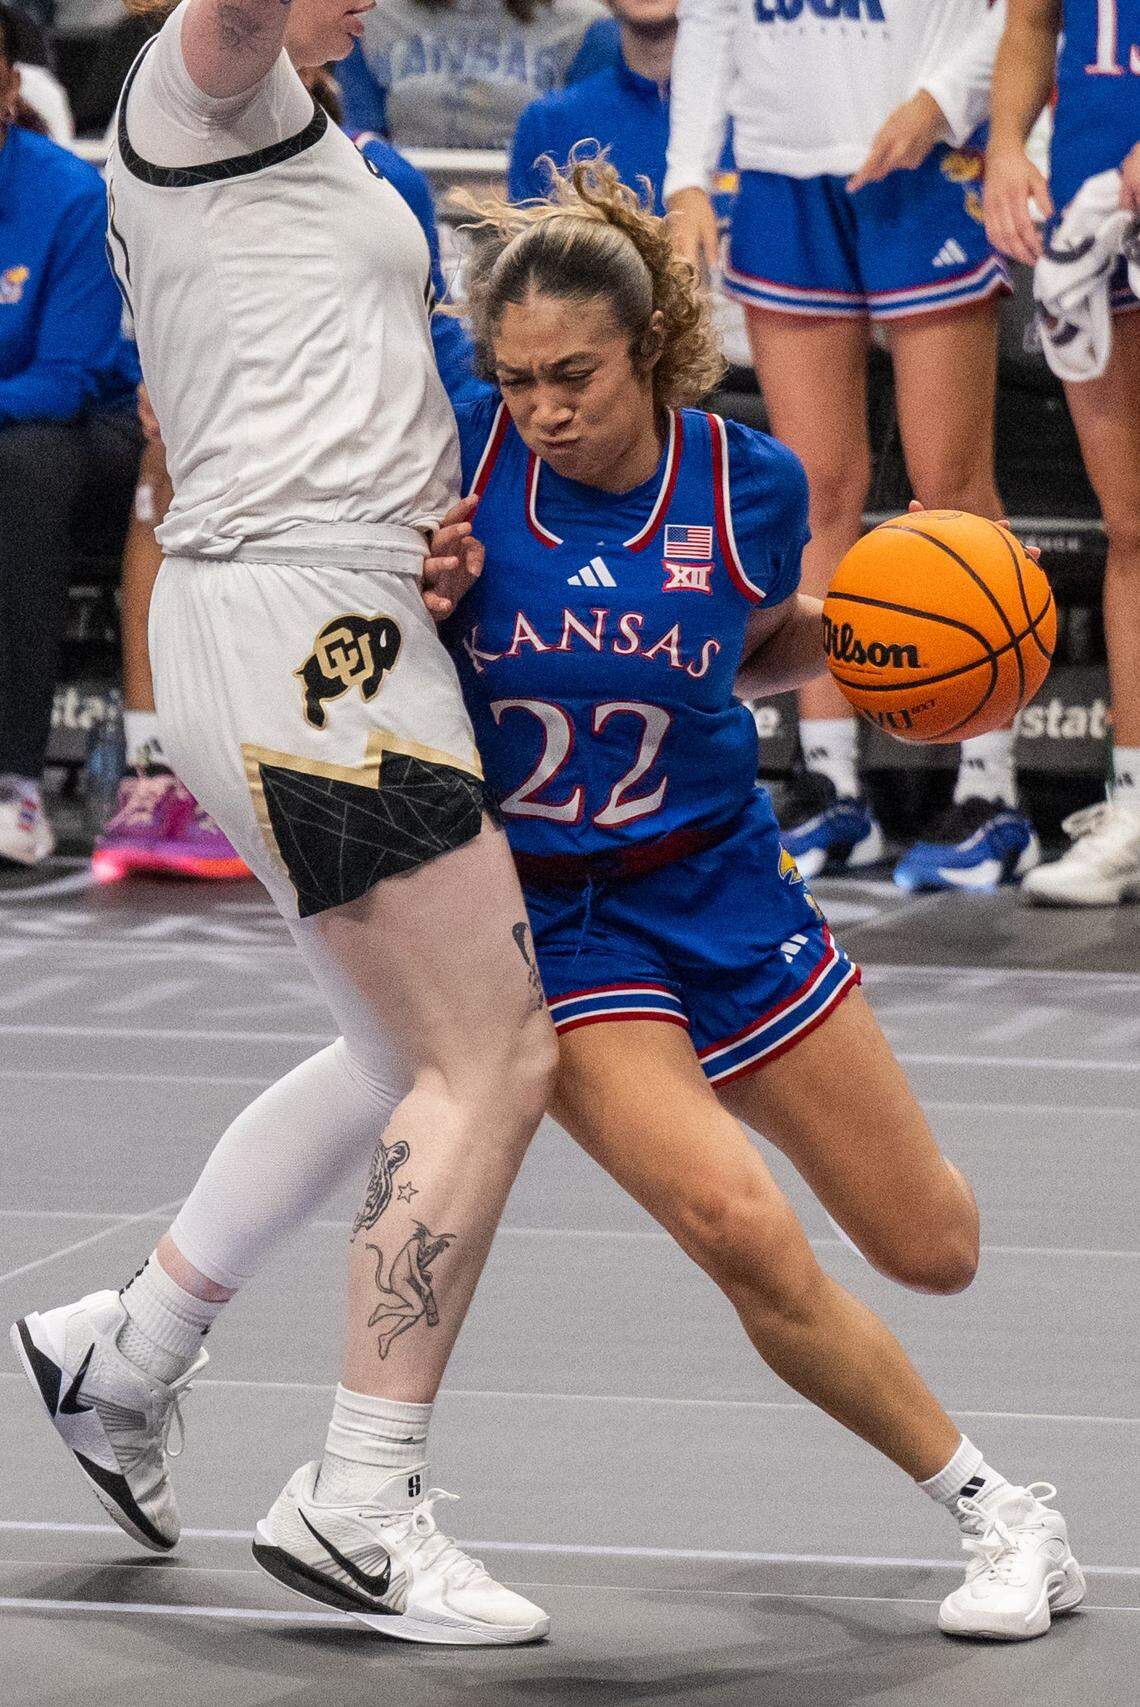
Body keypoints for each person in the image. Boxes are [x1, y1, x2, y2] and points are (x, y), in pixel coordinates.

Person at [426, 156, 1084, 1641]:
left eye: (573, 373)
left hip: (719, 873)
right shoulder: (457, 467)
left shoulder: (751, 483)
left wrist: (910, 657)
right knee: (737, 1220)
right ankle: (1003, 1513)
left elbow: (747, 639)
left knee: (935, 1245)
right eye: (515, 375)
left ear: (650, 347)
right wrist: (413, 594)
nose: (542, 406)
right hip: (558, 911)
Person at [12, 0, 555, 1646]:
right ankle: (358, 1498)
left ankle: (128, 1350)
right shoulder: (195, 100)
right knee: (499, 1050)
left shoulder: (339, 147)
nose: (363, 2)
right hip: (303, 635)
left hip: (359, 618)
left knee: (401, 1059)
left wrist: (437, 530)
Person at [663, 0, 1044, 895]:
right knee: (816, 492)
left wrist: (943, 99)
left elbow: (1031, 13)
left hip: (922, 154)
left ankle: (990, 790)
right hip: (779, 166)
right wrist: (686, 173)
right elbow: (712, 16)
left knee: (953, 487)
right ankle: (832, 781)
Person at [985, 0, 1140, 906]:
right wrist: (1009, 144)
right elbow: (1033, 21)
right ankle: (1133, 802)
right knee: (1131, 524)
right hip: (1093, 207)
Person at [0, 1, 143, 867]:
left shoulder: (66, 193)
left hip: (78, 444)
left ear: (8, 88)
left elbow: (68, 375)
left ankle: (13, 781)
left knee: (27, 461)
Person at [339, 0, 610, 149]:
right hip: (405, 209)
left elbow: (590, 156)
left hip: (534, 215)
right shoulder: (371, 17)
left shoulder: (583, 25)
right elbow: (359, 143)